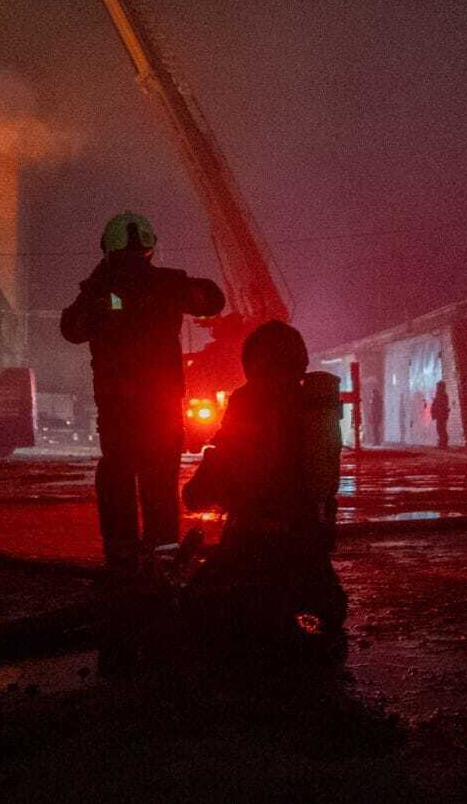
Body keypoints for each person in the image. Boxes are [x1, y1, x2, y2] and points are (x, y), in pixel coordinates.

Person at [60, 211, 225, 572]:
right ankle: (162, 551)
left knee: (118, 472)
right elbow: (213, 299)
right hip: (160, 403)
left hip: (119, 404)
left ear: (107, 247)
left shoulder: (99, 290)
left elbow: (71, 329)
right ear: (150, 247)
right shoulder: (162, 284)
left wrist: (103, 300)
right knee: (159, 474)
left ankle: (122, 554)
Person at [182, 320, 348, 660]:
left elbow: (224, 457)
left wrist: (198, 490)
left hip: (251, 539)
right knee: (319, 613)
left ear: (252, 363)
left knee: (199, 606)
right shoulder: (311, 405)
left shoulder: (247, 402)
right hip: (307, 542)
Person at [432, 379, 451, 450]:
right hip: (440, 414)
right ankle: (442, 442)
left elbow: (443, 405)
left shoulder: (443, 395)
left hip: (442, 415)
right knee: (440, 428)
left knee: (442, 428)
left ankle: (443, 443)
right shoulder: (440, 395)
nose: (437, 388)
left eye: (438, 387)